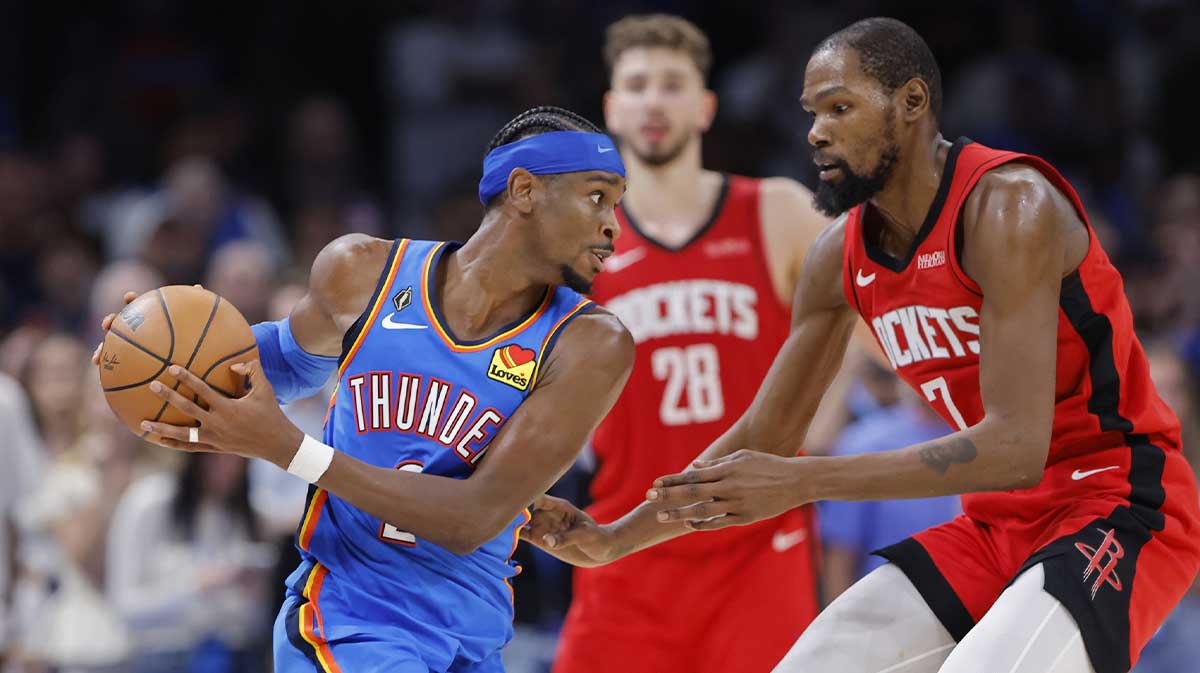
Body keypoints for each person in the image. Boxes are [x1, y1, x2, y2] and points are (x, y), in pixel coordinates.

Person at [526, 18, 1200, 673]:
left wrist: (803, 479)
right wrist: (615, 538)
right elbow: (764, 434)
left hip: (1116, 503)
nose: (817, 131)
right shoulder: (836, 255)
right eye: (811, 113)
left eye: (839, 107)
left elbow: (1016, 448)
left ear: (912, 102)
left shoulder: (1009, 207)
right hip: (996, 525)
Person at [94, 106, 634, 673]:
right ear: (524, 190)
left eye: (617, 205)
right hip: (347, 621)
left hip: (470, 640)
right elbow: (281, 364)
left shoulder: (589, 344)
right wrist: (161, 355)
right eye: (597, 198)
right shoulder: (364, 271)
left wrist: (289, 449)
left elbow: (472, 519)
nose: (613, 227)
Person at [551, 15, 829, 673]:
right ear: (612, 109)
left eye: (672, 85)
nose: (654, 101)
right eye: (637, 85)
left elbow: (881, 332)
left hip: (757, 553)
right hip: (623, 545)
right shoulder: (574, 247)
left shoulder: (778, 211)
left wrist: (827, 414)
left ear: (705, 106)